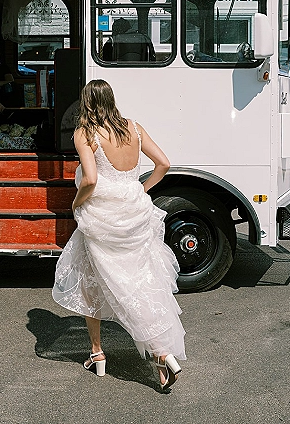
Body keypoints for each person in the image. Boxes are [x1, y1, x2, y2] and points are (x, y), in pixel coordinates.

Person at [52, 79, 185, 391]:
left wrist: (74, 205)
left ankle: (99, 352)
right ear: (111, 99)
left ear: (86, 102)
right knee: (138, 282)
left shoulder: (85, 132)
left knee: (92, 281)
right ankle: (161, 352)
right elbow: (163, 163)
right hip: (135, 212)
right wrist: (140, 188)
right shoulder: (133, 127)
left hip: (102, 216)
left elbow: (90, 180)